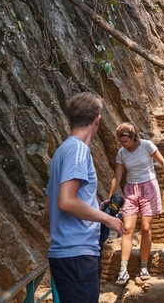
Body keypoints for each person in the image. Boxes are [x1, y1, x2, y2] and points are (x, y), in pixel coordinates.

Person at [46, 92, 124, 303]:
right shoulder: (79, 151)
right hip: (78, 255)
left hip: (64, 254)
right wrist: (107, 218)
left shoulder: (61, 152)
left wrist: (95, 208)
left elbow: (50, 207)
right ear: (97, 120)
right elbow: (66, 202)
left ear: (70, 120)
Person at [107, 123, 164, 285]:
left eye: (125, 141)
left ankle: (144, 266)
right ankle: (123, 270)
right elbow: (117, 177)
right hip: (131, 190)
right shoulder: (121, 153)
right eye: (120, 142)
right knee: (127, 229)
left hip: (149, 188)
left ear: (133, 137)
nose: (122, 145)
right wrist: (110, 197)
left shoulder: (146, 145)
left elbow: (163, 163)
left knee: (146, 227)